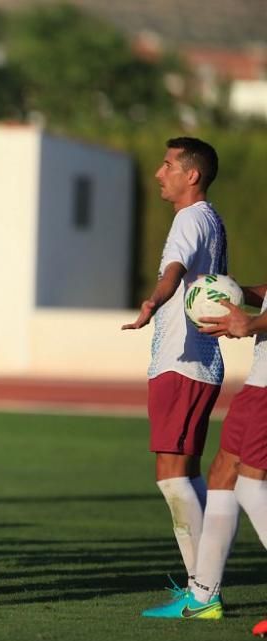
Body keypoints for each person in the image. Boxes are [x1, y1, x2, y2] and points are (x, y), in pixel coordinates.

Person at [123, 137, 226, 592]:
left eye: (167, 165)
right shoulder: (210, 219)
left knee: (171, 479)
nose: (158, 173)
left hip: (182, 362)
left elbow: (174, 271)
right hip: (195, 363)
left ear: (192, 175)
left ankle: (203, 588)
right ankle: (205, 583)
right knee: (186, 475)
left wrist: (153, 301)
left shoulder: (189, 217)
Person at [142, 280, 266, 620]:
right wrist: (236, 292)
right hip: (259, 378)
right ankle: (203, 597)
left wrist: (252, 323)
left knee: (252, 487)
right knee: (222, 475)